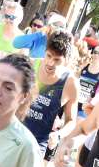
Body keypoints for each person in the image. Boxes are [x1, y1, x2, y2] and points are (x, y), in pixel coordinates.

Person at [22, 31, 79, 160]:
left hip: (38, 143)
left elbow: (71, 121)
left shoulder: (70, 83)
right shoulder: (30, 66)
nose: (50, 63)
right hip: (14, 132)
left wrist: (58, 135)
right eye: (48, 56)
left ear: (67, 60)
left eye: (57, 60)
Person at [76, 46, 99, 117]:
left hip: (87, 106)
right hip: (76, 101)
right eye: (95, 52)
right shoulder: (85, 65)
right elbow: (75, 78)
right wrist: (80, 67)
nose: (96, 55)